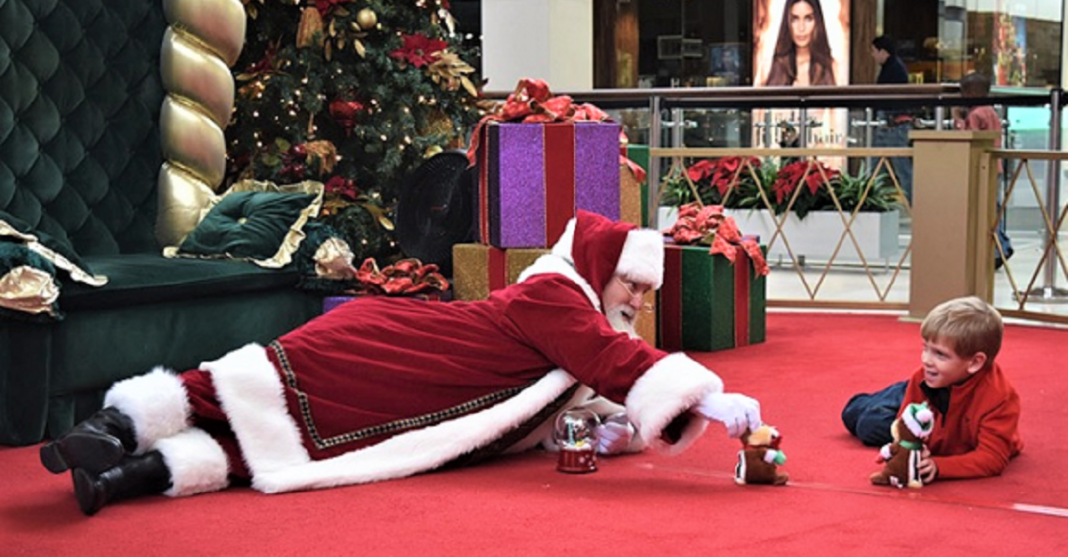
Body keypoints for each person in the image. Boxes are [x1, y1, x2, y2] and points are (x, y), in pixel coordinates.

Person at [40, 210, 763, 515]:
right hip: (392, 347)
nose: (636, 298)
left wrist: (619, 433)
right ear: (600, 267)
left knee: (277, 443)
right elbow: (611, 359)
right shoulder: (557, 294)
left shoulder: (577, 321)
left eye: (645, 289)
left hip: (416, 393)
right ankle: (111, 428)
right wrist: (709, 399)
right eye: (631, 282)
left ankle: (117, 479)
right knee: (242, 386)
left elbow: (559, 401)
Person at [842, 296, 1023, 482]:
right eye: (925, 348)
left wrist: (938, 466)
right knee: (854, 413)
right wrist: (908, 448)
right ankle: (895, 392)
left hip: (939, 410)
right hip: (928, 390)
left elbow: (992, 458)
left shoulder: (1000, 397)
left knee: (868, 424)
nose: (926, 359)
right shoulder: (922, 376)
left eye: (940, 354)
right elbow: (905, 427)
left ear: (975, 363)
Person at [952, 71, 1013, 268]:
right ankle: (1000, 245)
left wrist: (958, 120)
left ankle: (1000, 248)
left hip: (982, 166)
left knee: (986, 209)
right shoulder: (991, 111)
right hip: (995, 166)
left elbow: (969, 137)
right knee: (992, 208)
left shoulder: (976, 114)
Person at [869, 35, 914, 202]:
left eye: (874, 51)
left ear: (883, 51)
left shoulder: (893, 69)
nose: (873, 56)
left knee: (897, 168)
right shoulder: (894, 67)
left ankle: (913, 203)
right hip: (891, 123)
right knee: (882, 167)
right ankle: (872, 200)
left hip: (892, 124)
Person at [764, 0, 836, 87]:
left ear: (817, 22)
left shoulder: (834, 67)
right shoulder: (768, 67)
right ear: (787, 22)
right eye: (795, 19)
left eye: (808, 19)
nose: (801, 28)